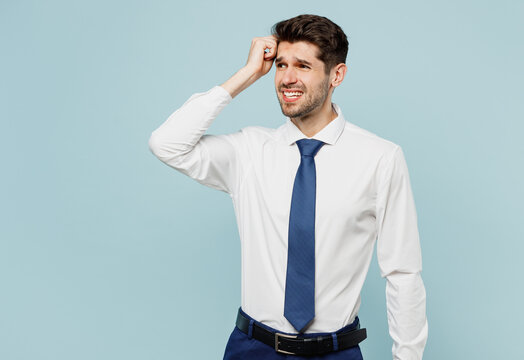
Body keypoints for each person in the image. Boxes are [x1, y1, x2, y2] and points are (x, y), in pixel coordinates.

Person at [149, 14, 427, 360]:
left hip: (336, 352)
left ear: (336, 75)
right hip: (253, 349)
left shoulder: (380, 158)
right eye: (281, 65)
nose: (287, 78)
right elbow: (166, 144)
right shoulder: (248, 151)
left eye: (303, 66)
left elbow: (403, 273)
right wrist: (246, 75)